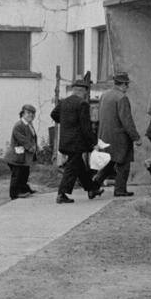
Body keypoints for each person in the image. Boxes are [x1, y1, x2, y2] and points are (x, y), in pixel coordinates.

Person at [49, 72, 103, 204]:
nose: (86, 94)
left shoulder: (64, 102)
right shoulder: (82, 104)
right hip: (76, 143)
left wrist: (66, 122)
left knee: (79, 167)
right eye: (86, 91)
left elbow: (53, 114)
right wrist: (93, 143)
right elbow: (86, 127)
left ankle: (91, 189)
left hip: (65, 141)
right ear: (83, 91)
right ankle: (61, 194)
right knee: (71, 168)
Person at [94, 71, 142, 197]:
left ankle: (93, 186)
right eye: (127, 84)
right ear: (124, 84)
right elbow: (126, 120)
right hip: (120, 137)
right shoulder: (122, 98)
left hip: (105, 135)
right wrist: (135, 137)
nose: (128, 87)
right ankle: (120, 190)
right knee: (123, 163)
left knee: (109, 163)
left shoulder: (105, 95)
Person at [6, 104, 38, 199]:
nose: (31, 115)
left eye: (33, 113)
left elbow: (32, 138)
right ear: (22, 113)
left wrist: (35, 146)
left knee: (24, 173)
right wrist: (31, 147)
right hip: (17, 156)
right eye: (28, 113)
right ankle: (14, 194)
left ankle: (24, 189)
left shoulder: (29, 125)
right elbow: (22, 139)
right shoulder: (19, 125)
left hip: (24, 156)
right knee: (17, 175)